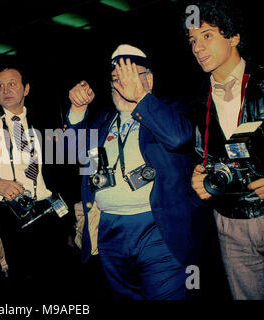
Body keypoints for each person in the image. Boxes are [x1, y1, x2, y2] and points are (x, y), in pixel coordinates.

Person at [66, 44, 209, 300]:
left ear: (149, 79)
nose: (122, 85)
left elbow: (178, 138)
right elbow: (71, 154)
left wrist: (141, 98)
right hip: (110, 231)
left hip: (158, 229)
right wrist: (77, 112)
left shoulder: (174, 108)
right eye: (116, 79)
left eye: (130, 76)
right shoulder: (102, 120)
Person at [187, 0, 264, 300]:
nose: (197, 47)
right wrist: (199, 179)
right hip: (229, 222)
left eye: (207, 35)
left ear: (233, 37)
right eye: (193, 40)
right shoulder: (197, 102)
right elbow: (201, 159)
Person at [0, 65, 75, 301]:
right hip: (7, 217)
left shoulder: (46, 120)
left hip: (48, 213)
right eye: (0, 85)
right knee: (18, 283)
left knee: (55, 280)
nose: (5, 90)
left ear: (26, 89)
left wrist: (69, 216)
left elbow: (67, 165)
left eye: (12, 83)